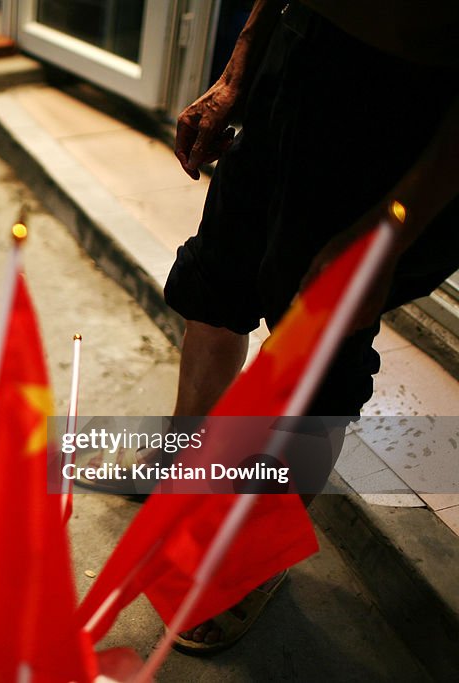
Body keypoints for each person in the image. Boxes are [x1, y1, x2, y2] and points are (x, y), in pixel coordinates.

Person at [163, 0, 459, 654]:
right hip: (299, 47)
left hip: (409, 106)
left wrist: (393, 226)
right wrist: (241, 70)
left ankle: (250, 560)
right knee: (218, 277)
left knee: (317, 346)